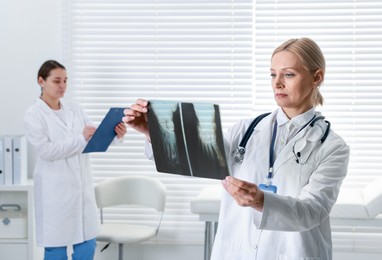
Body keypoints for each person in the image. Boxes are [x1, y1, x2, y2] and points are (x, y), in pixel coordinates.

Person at [122, 37, 349, 259]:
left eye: (288, 74)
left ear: (316, 77)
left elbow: (313, 211)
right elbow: (196, 156)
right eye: (273, 74)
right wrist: (152, 133)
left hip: (294, 251)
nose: (277, 83)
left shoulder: (332, 147)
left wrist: (262, 201)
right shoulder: (245, 130)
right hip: (237, 249)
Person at [24, 60, 126, 260]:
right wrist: (80, 138)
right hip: (55, 193)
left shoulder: (74, 108)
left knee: (87, 245)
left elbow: (93, 138)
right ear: (41, 81)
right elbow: (46, 151)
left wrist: (116, 135)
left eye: (65, 81)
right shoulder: (34, 115)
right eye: (57, 81)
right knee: (56, 249)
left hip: (81, 189)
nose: (62, 86)